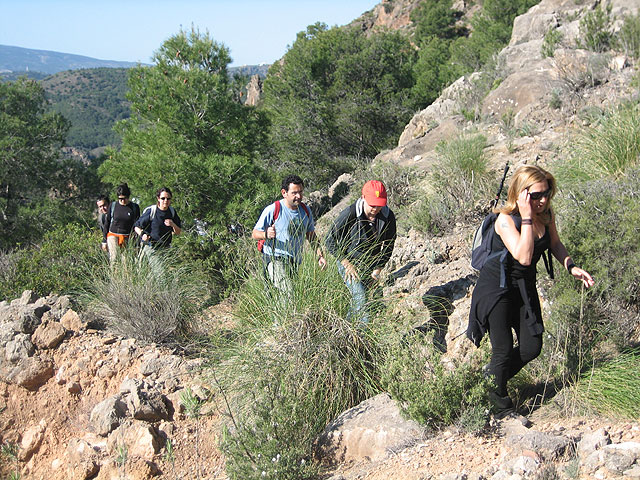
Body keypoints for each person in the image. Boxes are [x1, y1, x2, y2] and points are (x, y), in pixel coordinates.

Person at [467, 165, 594, 414]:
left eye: (546, 193)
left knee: (531, 347)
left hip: (524, 287)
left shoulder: (546, 214)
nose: (543, 200)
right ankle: (501, 406)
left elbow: (554, 243)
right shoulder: (505, 221)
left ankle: (491, 378)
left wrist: (571, 266)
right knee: (502, 351)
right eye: (536, 195)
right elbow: (524, 256)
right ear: (521, 194)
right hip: (498, 289)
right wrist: (525, 216)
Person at [325, 180, 397, 324]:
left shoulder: (388, 216)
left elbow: (389, 245)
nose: (375, 209)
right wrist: (346, 264)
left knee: (370, 301)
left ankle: (346, 332)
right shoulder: (350, 213)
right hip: (348, 262)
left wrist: (377, 270)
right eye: (372, 204)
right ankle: (360, 339)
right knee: (360, 297)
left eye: (379, 205)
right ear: (363, 198)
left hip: (370, 265)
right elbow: (329, 240)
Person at [251, 175, 326, 295]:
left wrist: (320, 256)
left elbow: (311, 235)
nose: (299, 196)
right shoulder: (273, 209)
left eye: (301, 192)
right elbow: (254, 234)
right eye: (294, 193)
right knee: (289, 291)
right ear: (284, 193)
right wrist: (266, 234)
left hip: (294, 261)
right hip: (275, 259)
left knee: (285, 299)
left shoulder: (305, 211)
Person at [134, 187, 182, 251]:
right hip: (151, 247)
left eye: (168, 199)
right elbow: (136, 227)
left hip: (166, 248)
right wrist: (143, 235)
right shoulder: (151, 211)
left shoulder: (172, 212)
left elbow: (178, 232)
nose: (165, 201)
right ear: (158, 198)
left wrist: (173, 224)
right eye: (163, 198)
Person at [103, 184, 140, 261]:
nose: (123, 201)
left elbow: (137, 225)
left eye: (125, 198)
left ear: (128, 197)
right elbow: (107, 222)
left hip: (127, 237)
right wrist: (104, 241)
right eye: (120, 199)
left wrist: (137, 244)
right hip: (113, 235)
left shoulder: (134, 207)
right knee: (114, 257)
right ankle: (113, 272)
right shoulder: (113, 206)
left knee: (126, 261)